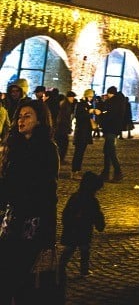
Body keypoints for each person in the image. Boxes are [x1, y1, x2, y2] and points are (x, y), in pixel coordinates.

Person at [0, 98, 59, 305]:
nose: (21, 121)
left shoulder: (47, 149)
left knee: (20, 278)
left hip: (32, 225)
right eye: (19, 116)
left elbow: (49, 193)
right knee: (5, 276)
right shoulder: (13, 146)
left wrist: (49, 236)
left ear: (39, 121)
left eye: (27, 116)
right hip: (10, 221)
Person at [60, 170, 105, 277]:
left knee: (69, 248)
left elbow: (66, 213)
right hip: (84, 230)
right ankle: (84, 270)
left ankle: (60, 267)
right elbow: (97, 215)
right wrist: (100, 225)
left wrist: (66, 224)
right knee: (84, 249)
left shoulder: (74, 197)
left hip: (71, 228)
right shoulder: (92, 201)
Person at [98, 85, 127, 182]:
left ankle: (118, 172)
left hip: (111, 129)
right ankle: (105, 173)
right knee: (107, 151)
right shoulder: (119, 102)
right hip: (113, 129)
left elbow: (109, 115)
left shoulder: (113, 103)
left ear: (111, 94)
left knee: (110, 151)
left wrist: (102, 114)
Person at [71, 89, 96, 178]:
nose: (90, 98)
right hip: (81, 132)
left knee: (81, 153)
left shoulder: (88, 105)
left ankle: (78, 169)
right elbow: (79, 116)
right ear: (85, 96)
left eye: (91, 97)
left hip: (85, 132)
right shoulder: (80, 104)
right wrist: (88, 112)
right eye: (89, 96)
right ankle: (74, 171)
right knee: (78, 152)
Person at [55, 90, 76, 164]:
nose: (73, 99)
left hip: (61, 127)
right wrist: (68, 127)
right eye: (72, 97)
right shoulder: (66, 105)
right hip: (62, 128)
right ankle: (60, 159)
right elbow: (65, 118)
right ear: (69, 97)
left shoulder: (65, 104)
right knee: (63, 144)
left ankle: (60, 158)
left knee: (62, 143)